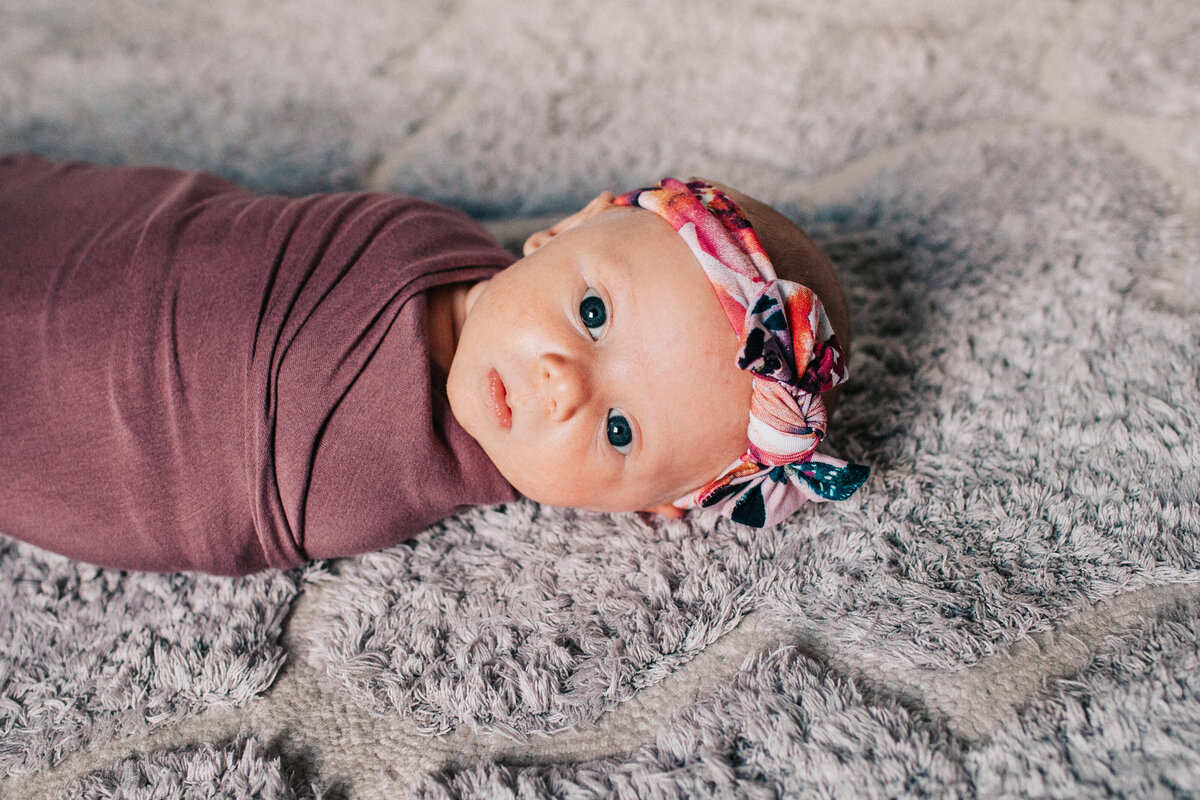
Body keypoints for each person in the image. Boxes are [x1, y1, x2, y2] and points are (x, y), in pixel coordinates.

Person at [0, 154, 866, 575]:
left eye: (619, 429)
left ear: (650, 508)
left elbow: (185, 502)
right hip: (116, 244)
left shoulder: (391, 483)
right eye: (592, 314)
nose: (564, 382)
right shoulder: (416, 232)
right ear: (566, 229)